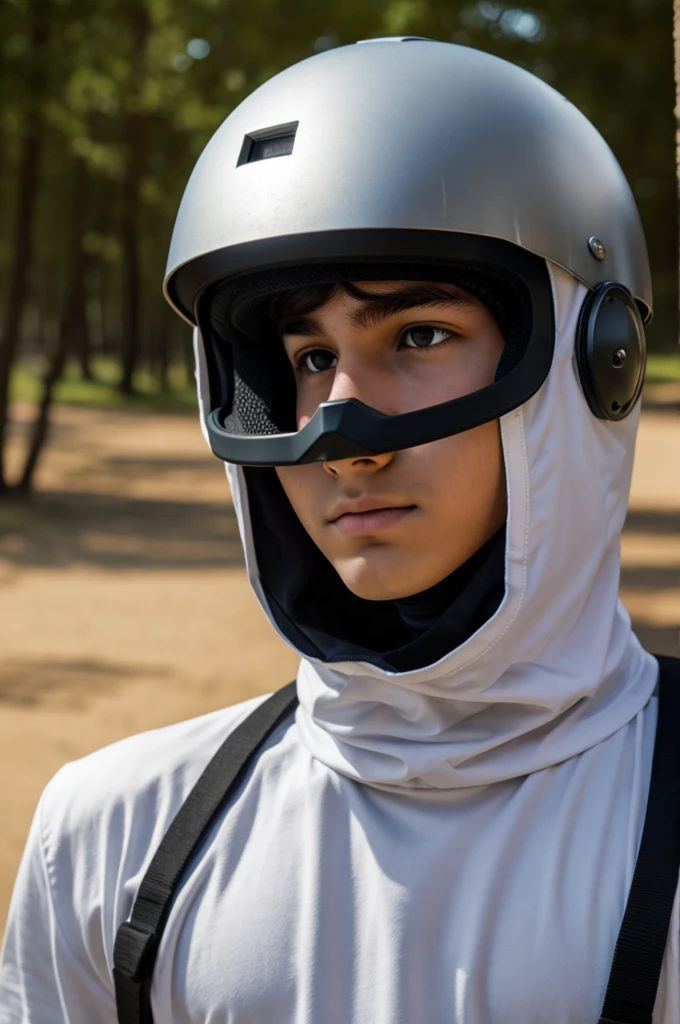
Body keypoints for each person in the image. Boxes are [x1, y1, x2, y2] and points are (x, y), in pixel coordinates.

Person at [1, 37, 677, 1024]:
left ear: (596, 363)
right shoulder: (112, 839)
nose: (341, 432)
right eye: (311, 357)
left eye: (416, 336)